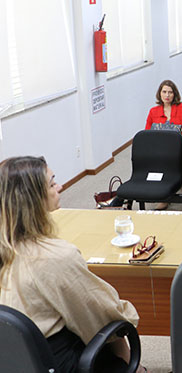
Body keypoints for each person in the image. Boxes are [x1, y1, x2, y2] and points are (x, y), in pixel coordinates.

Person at [0, 156, 142, 373]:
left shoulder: (8, 248)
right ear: (32, 199)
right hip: (58, 362)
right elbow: (105, 314)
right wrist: (128, 314)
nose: (61, 186)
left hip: (13, 361)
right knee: (113, 329)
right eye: (52, 183)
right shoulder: (54, 257)